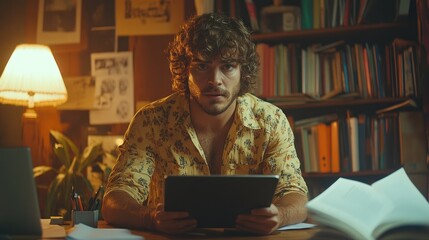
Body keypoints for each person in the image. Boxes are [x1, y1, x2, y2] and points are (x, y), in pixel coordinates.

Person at [102, 12, 308, 235]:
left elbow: (295, 193)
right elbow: (115, 198)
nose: (215, 80)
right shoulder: (152, 120)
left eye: (228, 66)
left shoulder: (271, 120)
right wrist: (150, 218)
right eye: (201, 66)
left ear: (243, 70)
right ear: (184, 71)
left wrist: (279, 215)